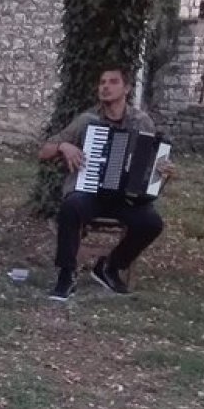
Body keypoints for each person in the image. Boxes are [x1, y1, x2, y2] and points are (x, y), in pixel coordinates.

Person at [38, 65, 177, 301]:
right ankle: (66, 275)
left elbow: (152, 163)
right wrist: (63, 146)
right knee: (71, 207)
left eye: (113, 82)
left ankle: (109, 267)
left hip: (126, 197)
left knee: (152, 223)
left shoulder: (142, 122)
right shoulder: (87, 120)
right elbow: (43, 151)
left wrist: (163, 168)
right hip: (91, 193)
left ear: (127, 89)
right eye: (102, 82)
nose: (105, 87)